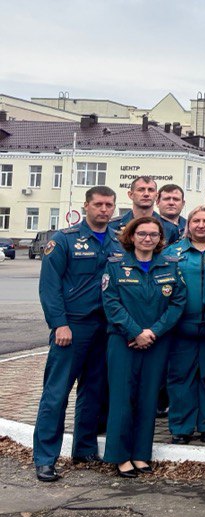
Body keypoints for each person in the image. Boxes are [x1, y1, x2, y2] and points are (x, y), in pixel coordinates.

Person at [32, 186, 119, 481]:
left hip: (105, 328)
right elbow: (50, 287)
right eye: (98, 204)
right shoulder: (64, 241)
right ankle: (45, 458)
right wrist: (59, 324)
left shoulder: (119, 242)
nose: (104, 210)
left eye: (109, 205)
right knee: (56, 394)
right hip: (72, 327)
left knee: (94, 392)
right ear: (86, 207)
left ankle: (84, 448)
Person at [102, 216, 186, 477]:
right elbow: (111, 303)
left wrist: (153, 332)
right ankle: (119, 455)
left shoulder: (171, 267)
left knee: (148, 399)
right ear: (131, 236)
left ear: (160, 239)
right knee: (122, 398)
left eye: (153, 234)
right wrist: (135, 332)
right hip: (123, 340)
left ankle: (140, 454)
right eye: (142, 234)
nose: (147, 239)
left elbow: (178, 303)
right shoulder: (116, 266)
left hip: (156, 342)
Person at [165, 205, 205, 445]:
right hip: (182, 325)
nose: (201, 225)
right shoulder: (172, 252)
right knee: (181, 377)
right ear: (187, 225)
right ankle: (181, 426)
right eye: (195, 221)